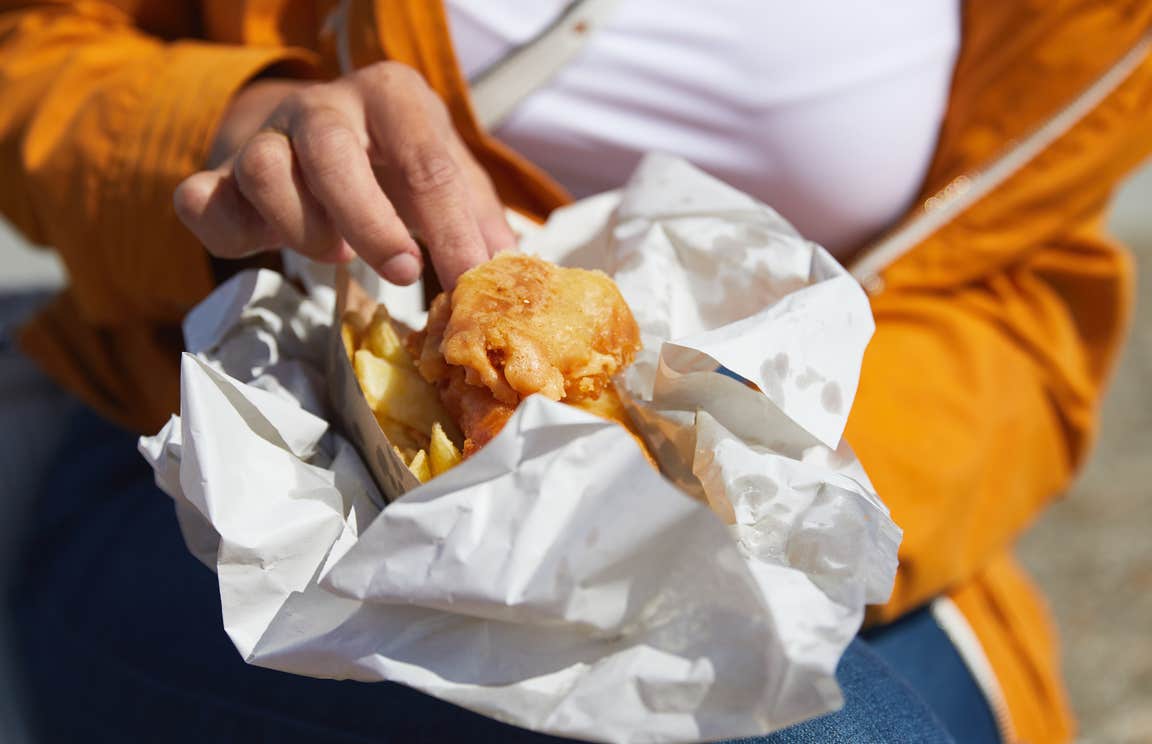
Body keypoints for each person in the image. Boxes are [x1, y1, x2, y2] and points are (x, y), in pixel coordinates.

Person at [1, 1, 1149, 742]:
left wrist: (729, 509)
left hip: (838, 524)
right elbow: (36, 54)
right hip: (238, 498)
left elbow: (1022, 289)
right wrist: (235, 119)